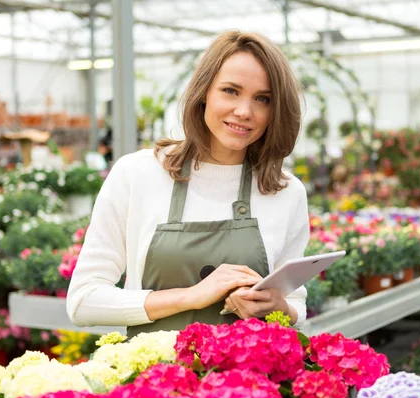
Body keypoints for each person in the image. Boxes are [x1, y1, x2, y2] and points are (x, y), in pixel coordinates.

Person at [66, 30, 310, 337]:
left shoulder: (285, 192)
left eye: (263, 99)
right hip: (153, 380)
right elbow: (83, 301)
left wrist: (277, 306)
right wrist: (192, 296)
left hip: (247, 382)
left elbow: (296, 304)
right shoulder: (137, 174)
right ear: (204, 91)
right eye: (231, 91)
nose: (244, 112)